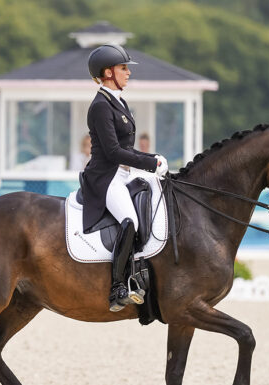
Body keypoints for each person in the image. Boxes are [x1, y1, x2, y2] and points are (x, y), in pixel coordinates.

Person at [82, 44, 169, 312]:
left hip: (122, 174)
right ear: (108, 72)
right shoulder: (100, 106)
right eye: (123, 68)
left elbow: (126, 149)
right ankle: (118, 287)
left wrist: (150, 158)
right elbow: (113, 151)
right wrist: (151, 162)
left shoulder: (118, 101)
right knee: (129, 221)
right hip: (105, 177)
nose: (128, 73)